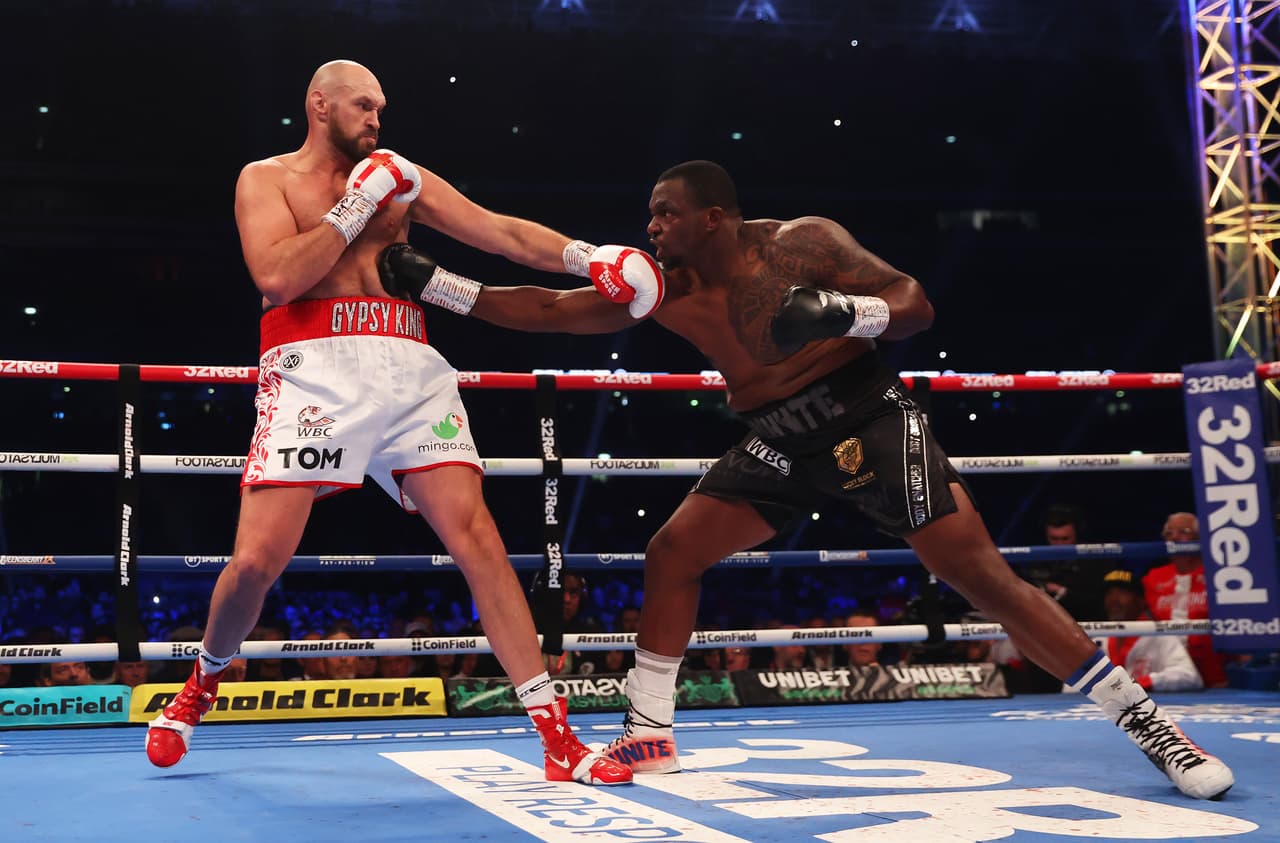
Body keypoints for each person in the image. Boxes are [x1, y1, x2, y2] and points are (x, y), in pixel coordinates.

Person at [379, 159, 1235, 800]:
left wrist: (844, 313)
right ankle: (648, 731)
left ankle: (1153, 727)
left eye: (666, 212)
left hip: (865, 416)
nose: (651, 226)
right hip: (780, 438)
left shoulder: (802, 244)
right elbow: (550, 310)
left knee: (981, 578)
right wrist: (439, 285)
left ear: (714, 216)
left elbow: (915, 303)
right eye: (650, 213)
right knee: (673, 552)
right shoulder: (663, 288)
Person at [142, 59, 632, 786]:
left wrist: (588, 257)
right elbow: (278, 276)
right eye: (363, 106)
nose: (376, 120)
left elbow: (498, 232)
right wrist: (354, 207)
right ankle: (203, 680)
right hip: (314, 368)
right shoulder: (266, 179)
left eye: (380, 109)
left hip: (410, 368)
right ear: (319, 105)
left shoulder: (401, 176)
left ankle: (556, 735)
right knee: (256, 562)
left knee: (480, 542)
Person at [1143, 512, 1229, 689]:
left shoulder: (1220, 576)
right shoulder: (1153, 578)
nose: (1174, 538)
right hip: (1169, 672)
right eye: (1169, 533)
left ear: (1199, 537)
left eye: (1184, 532)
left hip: (1216, 671)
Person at [1081, 570, 1202, 693]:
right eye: (1109, 593)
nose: (1113, 599)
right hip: (1103, 704)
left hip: (1150, 703)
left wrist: (1140, 683)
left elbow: (1189, 676)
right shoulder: (1098, 641)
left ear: (1140, 601)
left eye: (1122, 592)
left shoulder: (1159, 636)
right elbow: (1074, 684)